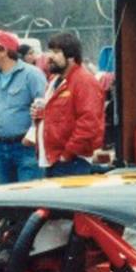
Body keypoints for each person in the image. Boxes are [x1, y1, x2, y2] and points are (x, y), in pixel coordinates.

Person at [0, 29, 47, 183]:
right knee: (5, 200)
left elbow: (45, 107)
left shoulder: (32, 75)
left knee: (28, 198)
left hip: (26, 149)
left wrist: (32, 134)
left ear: (4, 51)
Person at [37, 32, 105, 178]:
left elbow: (89, 123)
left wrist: (67, 154)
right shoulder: (54, 81)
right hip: (53, 161)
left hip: (72, 163)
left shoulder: (84, 81)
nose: (49, 56)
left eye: (56, 52)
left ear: (71, 56)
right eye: (49, 51)